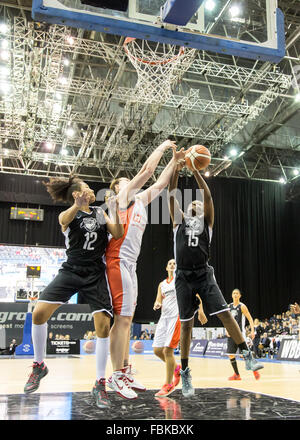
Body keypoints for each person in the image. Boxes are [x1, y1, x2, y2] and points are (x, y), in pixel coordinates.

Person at [23, 176, 124, 409]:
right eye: (87, 188)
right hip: (71, 269)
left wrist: (116, 209)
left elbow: (117, 233)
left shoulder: (99, 212)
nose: (91, 191)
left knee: (102, 325)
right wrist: (76, 206)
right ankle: (39, 365)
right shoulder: (69, 214)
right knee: (38, 314)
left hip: (94, 272)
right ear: (77, 194)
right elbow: (63, 219)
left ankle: (100, 383)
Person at [168, 159, 263, 397]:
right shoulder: (178, 221)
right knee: (186, 325)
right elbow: (171, 194)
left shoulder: (207, 223)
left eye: (200, 204)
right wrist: (176, 171)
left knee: (225, 314)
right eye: (194, 203)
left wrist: (196, 172)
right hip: (183, 277)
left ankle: (247, 355)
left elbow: (208, 196)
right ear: (188, 208)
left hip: (203, 273)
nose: (198, 204)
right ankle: (186, 372)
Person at [106, 140, 186, 399]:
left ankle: (124, 370)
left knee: (127, 320)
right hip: (118, 260)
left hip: (131, 263)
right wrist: (163, 146)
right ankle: (116, 375)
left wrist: (175, 161)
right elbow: (147, 173)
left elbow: (160, 183)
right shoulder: (122, 198)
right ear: (118, 188)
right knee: (122, 320)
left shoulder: (139, 199)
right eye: (123, 181)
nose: (128, 182)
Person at [152, 259, 181, 397]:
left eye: (175, 263)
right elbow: (158, 299)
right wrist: (157, 304)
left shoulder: (179, 280)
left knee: (168, 351)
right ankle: (176, 368)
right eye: (170, 263)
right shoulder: (162, 284)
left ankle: (168, 385)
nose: (172, 265)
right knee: (157, 350)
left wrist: (200, 310)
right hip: (163, 318)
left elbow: (196, 295)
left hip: (175, 318)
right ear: (166, 267)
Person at [227, 289, 261, 381]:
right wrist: (226, 330)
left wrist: (252, 331)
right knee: (231, 355)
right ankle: (237, 375)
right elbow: (226, 320)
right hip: (231, 334)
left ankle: (255, 371)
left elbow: (250, 319)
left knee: (245, 354)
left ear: (240, 296)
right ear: (231, 295)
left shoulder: (242, 306)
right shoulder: (228, 306)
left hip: (240, 334)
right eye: (233, 293)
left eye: (237, 293)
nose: (235, 295)